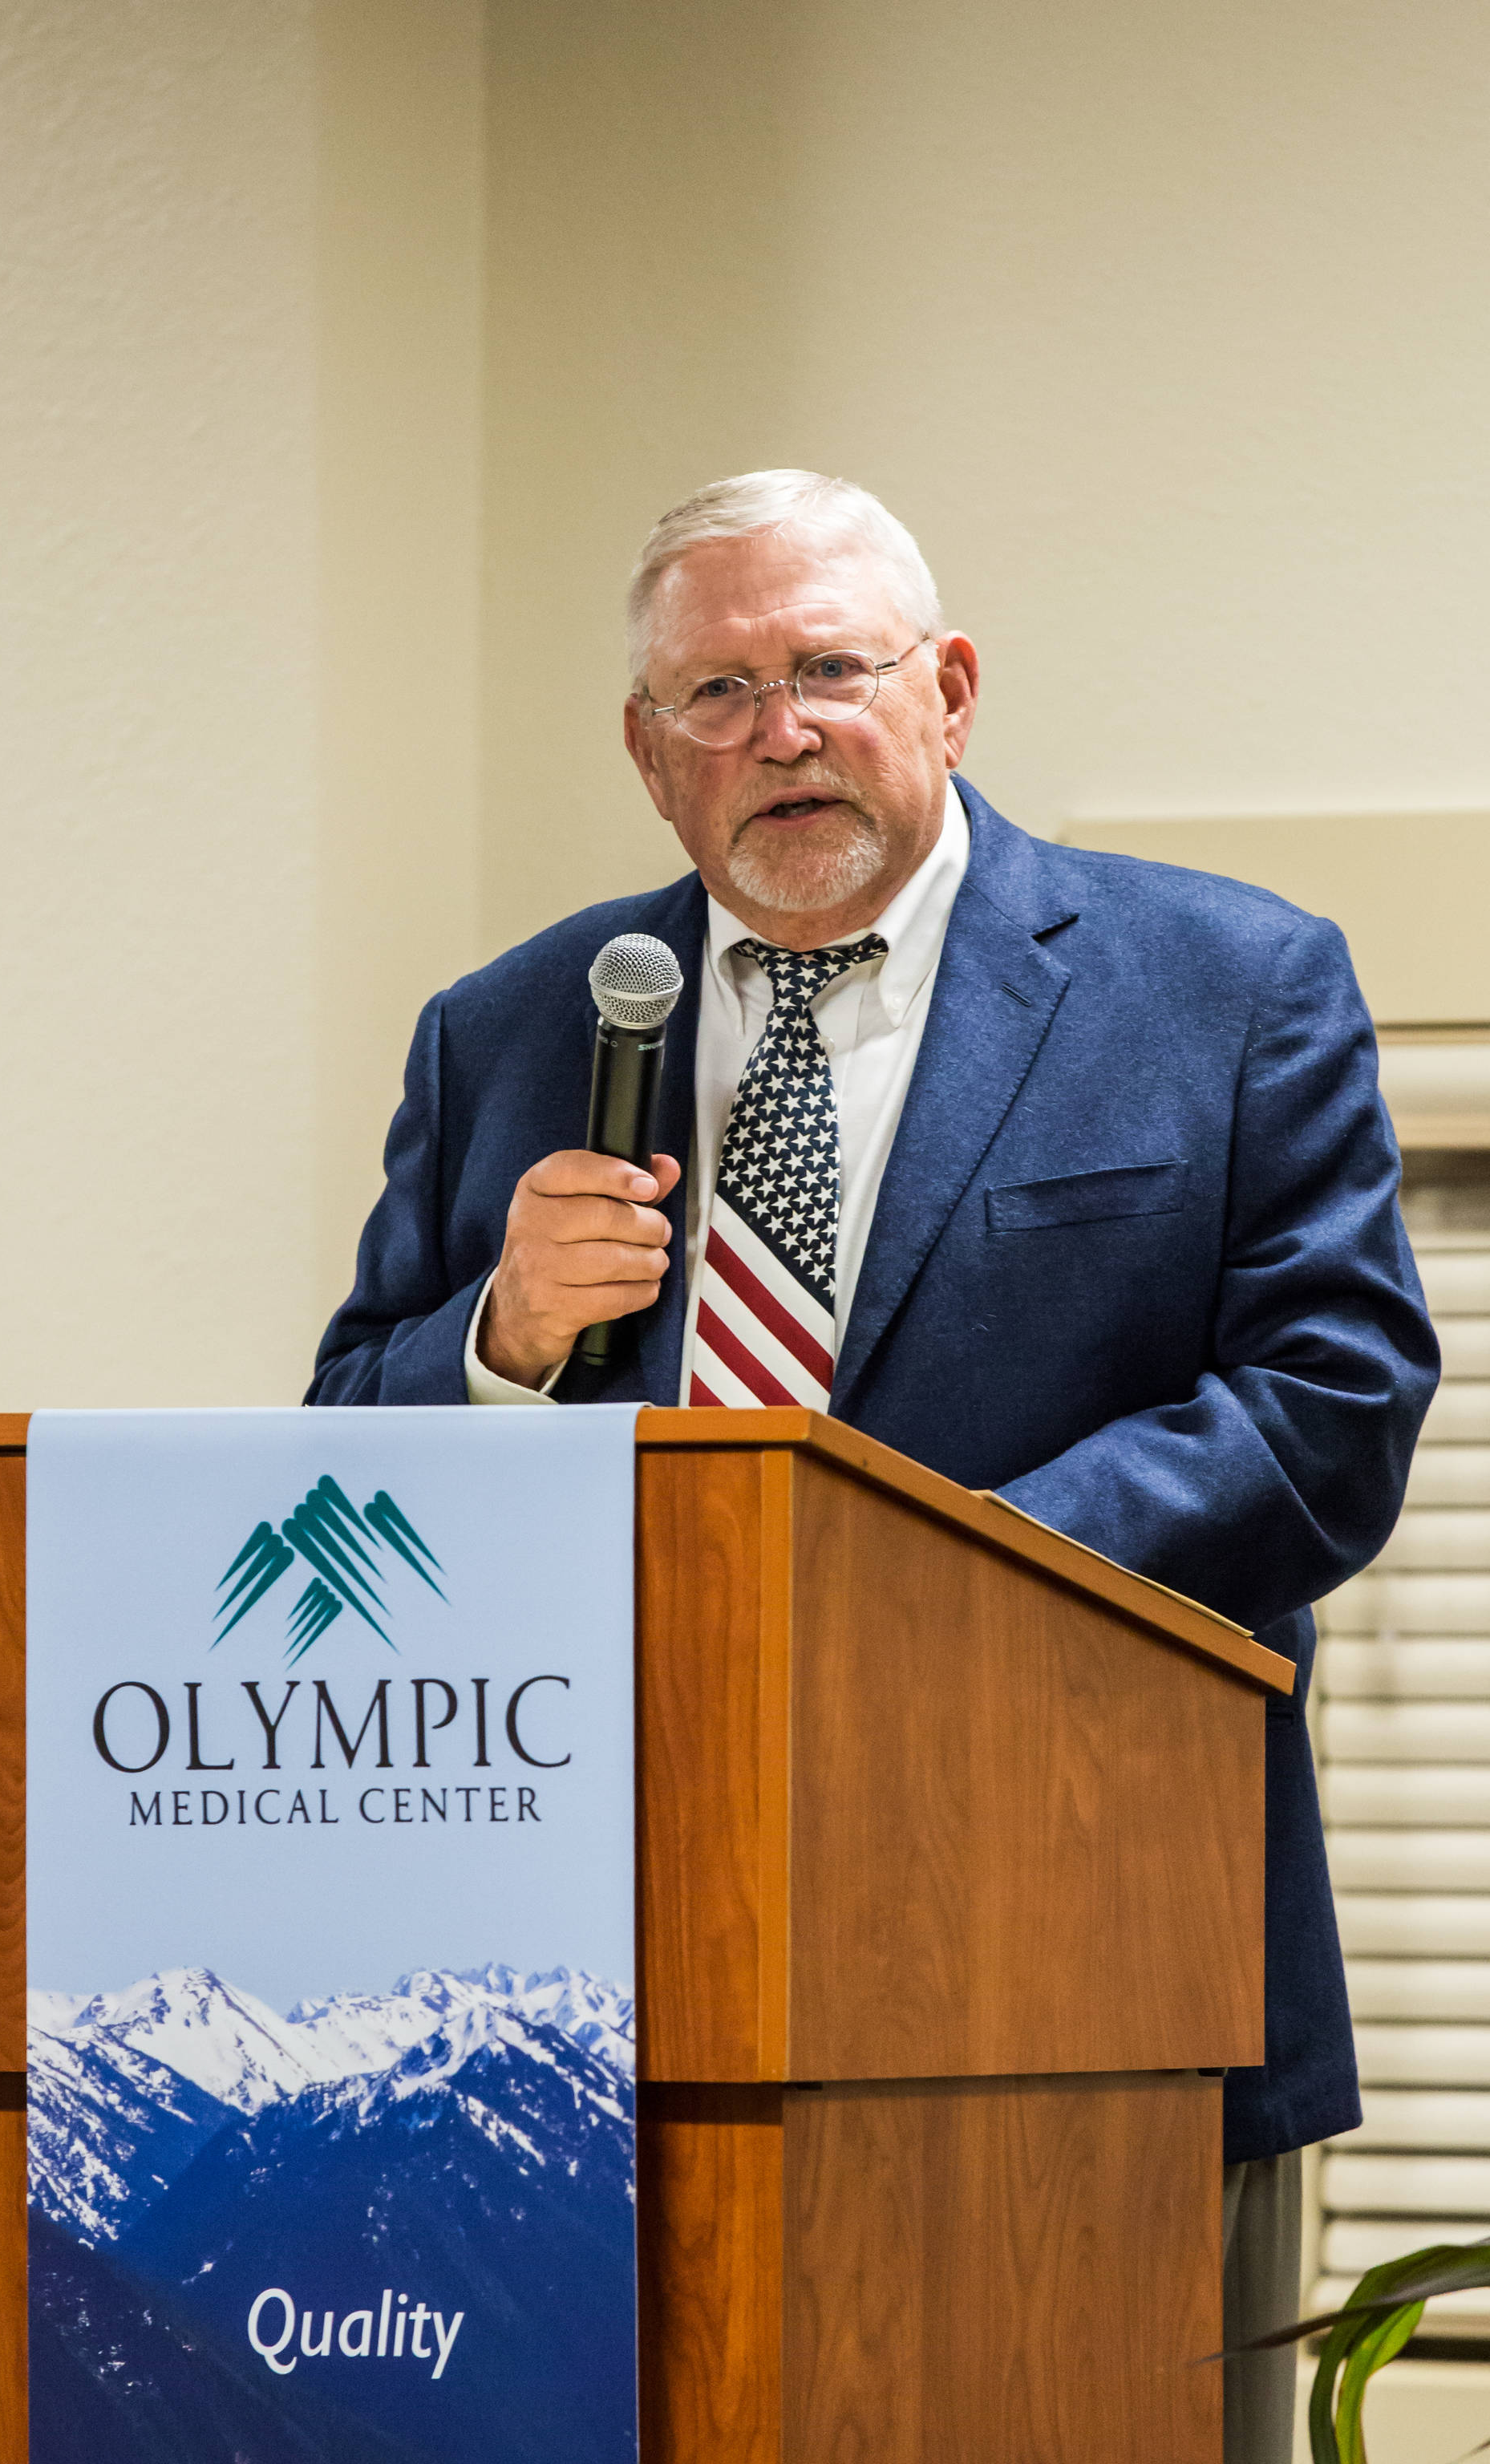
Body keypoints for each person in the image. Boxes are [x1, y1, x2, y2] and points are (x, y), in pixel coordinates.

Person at [309, 468, 1438, 2462]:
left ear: (951, 690)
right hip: (597, 1998)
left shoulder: (1223, 984)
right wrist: (498, 1346)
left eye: (830, 667)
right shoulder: (508, 1029)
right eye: (718, 692)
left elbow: (1328, 1407)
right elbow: (341, 1461)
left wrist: (927, 1579)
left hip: (1091, 1965)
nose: (781, 731)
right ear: (652, 756)